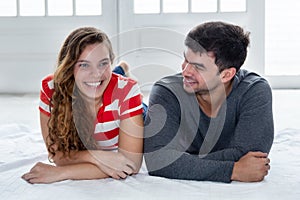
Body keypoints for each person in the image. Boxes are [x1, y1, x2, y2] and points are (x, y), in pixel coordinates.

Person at [144, 21, 274, 183]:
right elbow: (157, 161)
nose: (185, 72)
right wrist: (233, 170)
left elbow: (254, 158)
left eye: (198, 67)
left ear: (226, 75)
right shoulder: (166, 91)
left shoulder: (254, 91)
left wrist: (181, 161)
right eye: (186, 60)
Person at [22, 27, 145, 184]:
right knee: (97, 81)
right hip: (98, 86)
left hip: (127, 103)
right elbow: (57, 155)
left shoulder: (128, 91)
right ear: (69, 67)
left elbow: (130, 165)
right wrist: (95, 156)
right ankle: (121, 69)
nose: (96, 73)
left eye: (103, 63)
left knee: (112, 83)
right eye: (84, 65)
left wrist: (61, 173)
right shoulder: (52, 89)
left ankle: (121, 70)